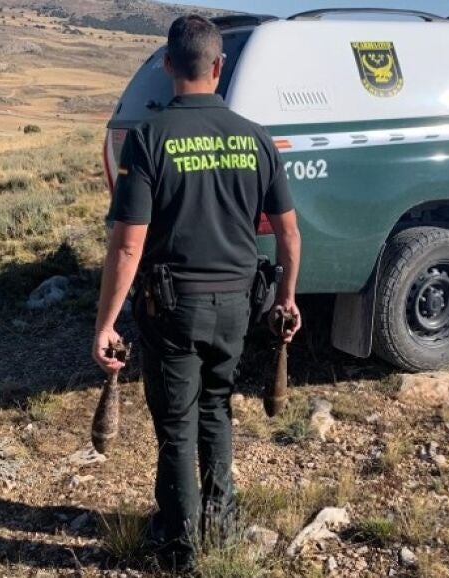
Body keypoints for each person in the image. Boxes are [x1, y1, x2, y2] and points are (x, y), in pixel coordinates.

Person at [91, 15, 302, 572]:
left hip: (173, 309)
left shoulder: (150, 138)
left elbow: (128, 246)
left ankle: (181, 545)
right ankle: (220, 525)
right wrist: (287, 298)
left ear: (167, 65)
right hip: (238, 304)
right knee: (216, 408)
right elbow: (288, 234)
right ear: (219, 66)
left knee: (176, 425)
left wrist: (106, 322)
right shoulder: (256, 138)